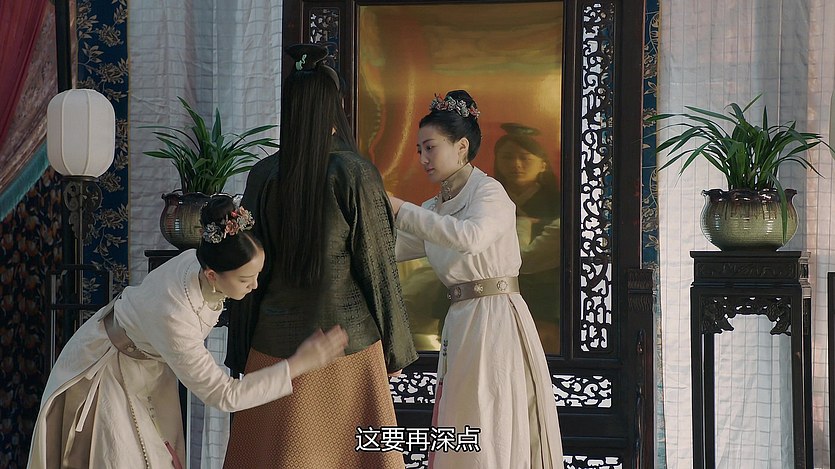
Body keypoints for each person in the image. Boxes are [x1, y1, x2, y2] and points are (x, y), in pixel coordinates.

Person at [27, 194, 348, 469]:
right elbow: (225, 395)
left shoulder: (202, 260)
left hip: (147, 366)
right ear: (212, 275)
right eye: (245, 279)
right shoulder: (175, 315)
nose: (254, 285)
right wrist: (299, 363)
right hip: (108, 370)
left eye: (257, 274)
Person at [223, 43, 417, 469]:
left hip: (272, 351)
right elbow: (378, 268)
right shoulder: (354, 172)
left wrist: (240, 352)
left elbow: (246, 273)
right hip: (345, 347)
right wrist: (396, 351)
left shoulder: (263, 174)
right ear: (335, 107)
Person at [388, 90, 564, 468]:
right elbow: (388, 250)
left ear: (462, 147)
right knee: (460, 417)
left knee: (488, 419)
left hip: (495, 317)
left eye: (430, 148)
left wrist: (399, 207)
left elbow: (470, 238)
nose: (422, 159)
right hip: (459, 321)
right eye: (419, 150)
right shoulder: (433, 209)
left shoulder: (490, 192)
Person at [493, 123, 561, 352]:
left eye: (525, 158)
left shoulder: (557, 202)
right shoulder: (488, 200)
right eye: (507, 157)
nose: (516, 164)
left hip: (544, 287)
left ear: (542, 164)